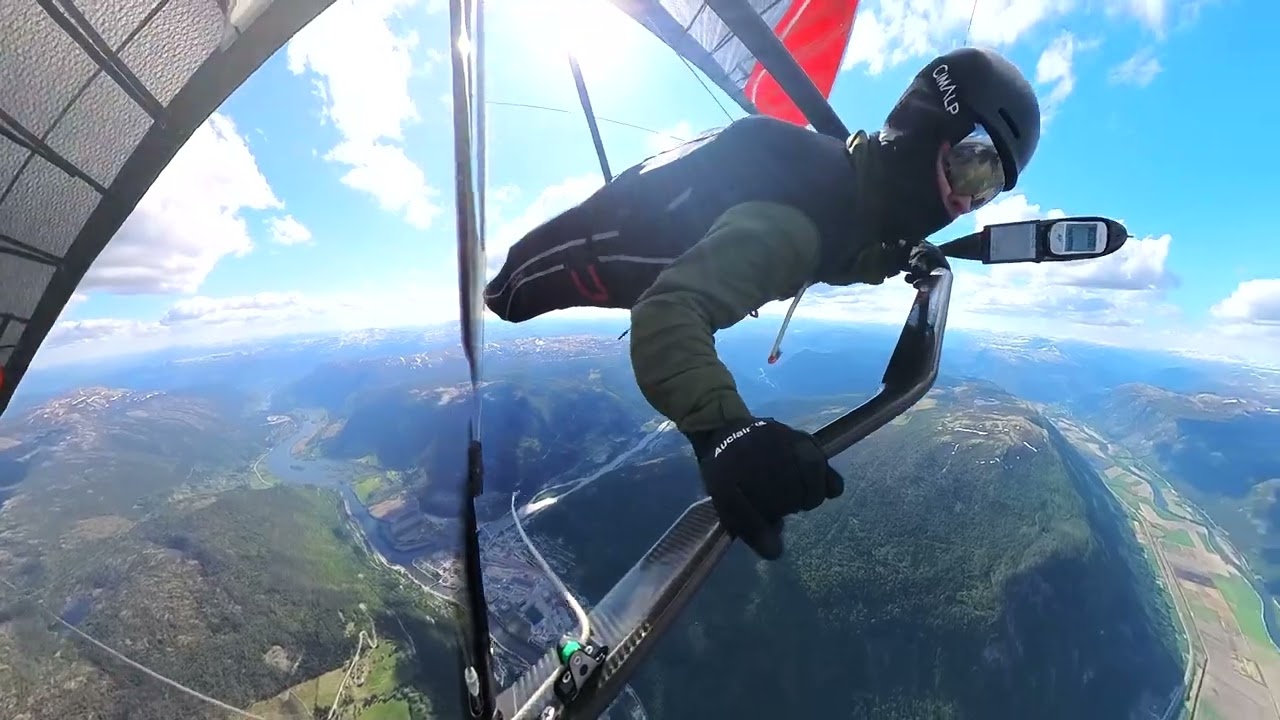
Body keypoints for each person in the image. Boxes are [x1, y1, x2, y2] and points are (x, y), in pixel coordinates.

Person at [484, 47, 1042, 560]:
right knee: (507, 296)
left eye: (988, 188)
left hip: (686, 236)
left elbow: (854, 246)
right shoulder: (796, 226)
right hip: (597, 255)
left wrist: (899, 256)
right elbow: (667, 312)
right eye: (973, 164)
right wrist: (724, 431)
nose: (966, 200)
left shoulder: (860, 189)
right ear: (930, 124)